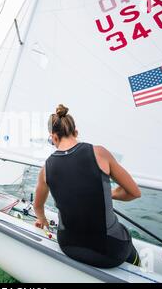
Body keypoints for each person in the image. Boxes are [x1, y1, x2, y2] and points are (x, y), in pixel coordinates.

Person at [33, 104, 142, 268]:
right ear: (75, 132)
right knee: (125, 236)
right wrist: (109, 194)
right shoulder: (99, 153)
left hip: (69, 246)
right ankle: (139, 268)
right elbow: (134, 192)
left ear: (53, 137)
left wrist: (42, 220)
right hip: (110, 252)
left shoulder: (45, 170)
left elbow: (38, 206)